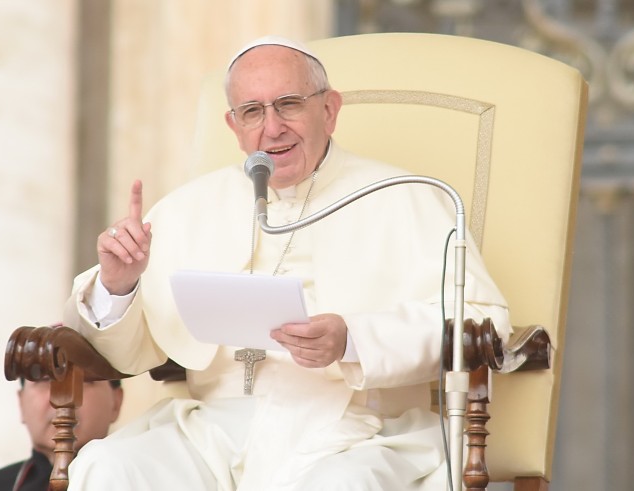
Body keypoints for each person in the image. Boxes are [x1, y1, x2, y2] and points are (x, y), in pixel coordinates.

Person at [63, 35, 512, 490]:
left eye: (289, 104)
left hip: (354, 431)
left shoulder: (405, 196)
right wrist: (118, 286)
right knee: (109, 467)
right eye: (252, 112)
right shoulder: (187, 207)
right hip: (214, 428)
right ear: (234, 125)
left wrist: (354, 340)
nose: (272, 128)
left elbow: (483, 322)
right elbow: (126, 349)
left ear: (330, 110)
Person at [0, 378, 123, 491]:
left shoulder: (143, 482)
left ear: (116, 401)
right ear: (21, 402)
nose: (63, 398)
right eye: (44, 379)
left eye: (84, 379)